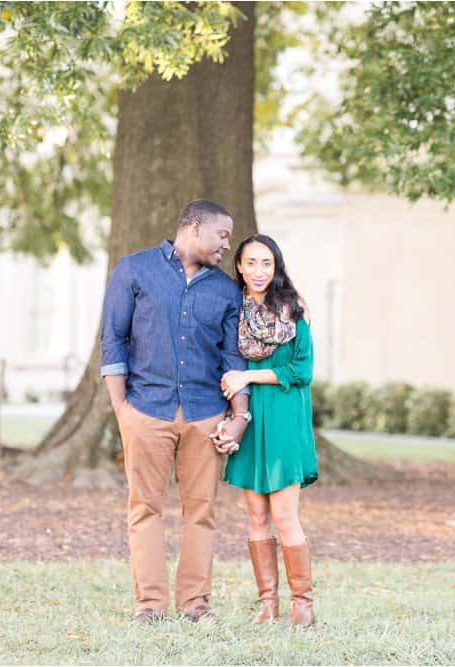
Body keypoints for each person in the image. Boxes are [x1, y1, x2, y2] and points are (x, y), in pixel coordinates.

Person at [100, 199, 251, 624]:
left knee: (200, 512)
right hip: (145, 410)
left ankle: (195, 604)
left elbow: (233, 358)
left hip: (205, 414)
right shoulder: (134, 270)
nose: (227, 245)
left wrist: (238, 417)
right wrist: (122, 411)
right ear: (196, 227)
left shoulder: (225, 290)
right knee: (144, 508)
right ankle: (149, 605)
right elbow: (113, 340)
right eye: (222, 235)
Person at [218, 234, 318, 627]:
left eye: (267, 263)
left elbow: (302, 371)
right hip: (251, 419)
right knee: (256, 514)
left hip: (284, 418)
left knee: (284, 514)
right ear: (240, 268)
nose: (259, 271)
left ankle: (302, 604)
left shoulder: (293, 313)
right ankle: (267, 604)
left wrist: (248, 375)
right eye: (252, 263)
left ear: (276, 268)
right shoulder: (234, 316)